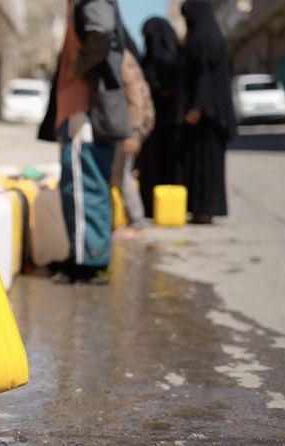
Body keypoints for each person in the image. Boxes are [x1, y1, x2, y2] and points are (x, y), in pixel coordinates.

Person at [39, 0, 123, 284]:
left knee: (83, 187)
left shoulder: (92, 3)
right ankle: (83, 255)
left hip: (83, 112)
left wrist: (75, 71)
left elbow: (100, 38)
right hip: (79, 112)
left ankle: (87, 262)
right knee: (79, 186)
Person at [180, 0, 236, 224]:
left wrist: (197, 107)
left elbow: (204, 77)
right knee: (209, 163)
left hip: (207, 115)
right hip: (214, 114)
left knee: (205, 163)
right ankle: (205, 209)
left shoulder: (202, 39)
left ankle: (204, 209)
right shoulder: (211, 35)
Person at [137, 17, 183, 216]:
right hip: (173, 125)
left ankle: (151, 206)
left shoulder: (151, 62)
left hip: (155, 126)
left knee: (152, 167)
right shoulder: (179, 58)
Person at [112, 29, 155, 237]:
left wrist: (133, 133)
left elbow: (135, 97)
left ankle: (137, 223)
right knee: (118, 173)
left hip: (132, 125)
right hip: (129, 124)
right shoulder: (121, 56)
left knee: (122, 173)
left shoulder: (122, 59)